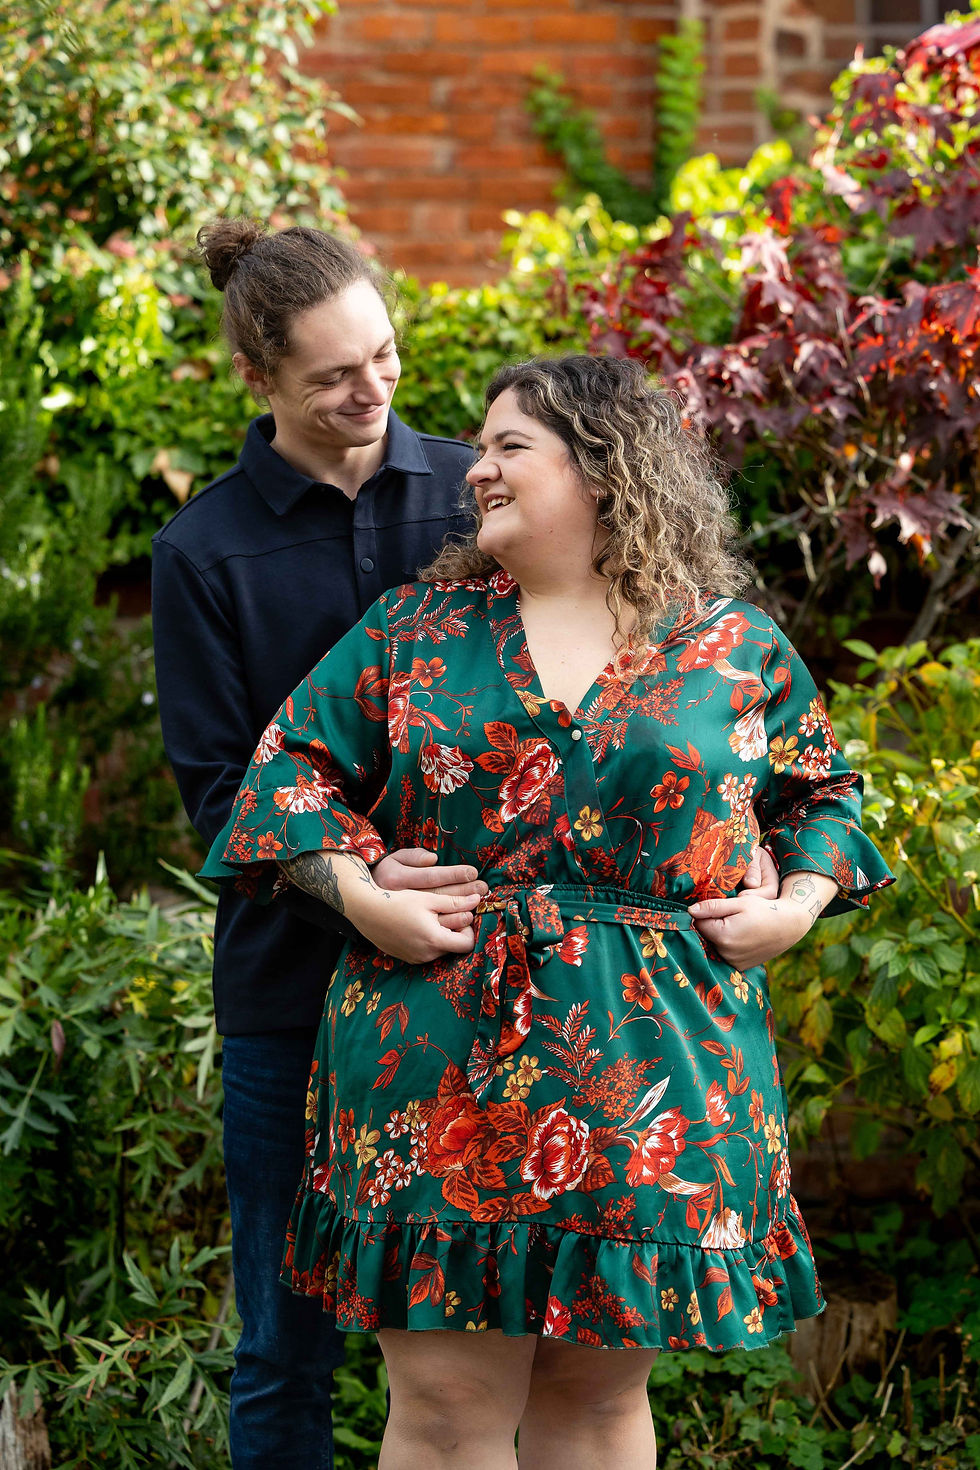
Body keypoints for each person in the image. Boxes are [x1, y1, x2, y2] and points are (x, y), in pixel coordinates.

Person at [201, 352, 894, 1468]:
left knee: (597, 1405)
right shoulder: (413, 630)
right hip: (431, 1063)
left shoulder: (731, 647)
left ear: (606, 465)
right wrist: (360, 893)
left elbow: (827, 798)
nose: (474, 471)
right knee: (443, 1407)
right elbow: (281, 782)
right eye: (478, 449)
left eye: (507, 446)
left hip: (654, 1071)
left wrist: (796, 905)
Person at [151, 217, 490, 1470]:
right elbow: (214, 797)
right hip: (291, 995)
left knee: (471, 1335)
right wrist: (353, 884)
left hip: (476, 979)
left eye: (386, 358)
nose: (371, 391)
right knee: (285, 1348)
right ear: (260, 380)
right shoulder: (201, 551)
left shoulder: (477, 491)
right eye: (333, 377)